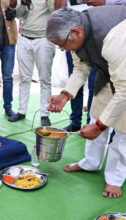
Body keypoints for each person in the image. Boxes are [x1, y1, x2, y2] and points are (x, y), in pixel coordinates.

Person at [46, 7, 126, 198]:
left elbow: (124, 89)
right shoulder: (77, 31)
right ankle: (91, 163)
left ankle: (114, 179)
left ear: (75, 32)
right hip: (110, 73)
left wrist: (99, 127)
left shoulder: (115, 38)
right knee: (96, 114)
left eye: (62, 44)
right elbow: (81, 66)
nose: (62, 49)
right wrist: (65, 95)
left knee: (122, 130)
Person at [7, 0, 57, 126]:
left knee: (45, 79)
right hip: (24, 38)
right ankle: (21, 111)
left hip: (44, 39)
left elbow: (55, 13)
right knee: (24, 79)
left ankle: (45, 114)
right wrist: (23, 3)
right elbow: (18, 14)